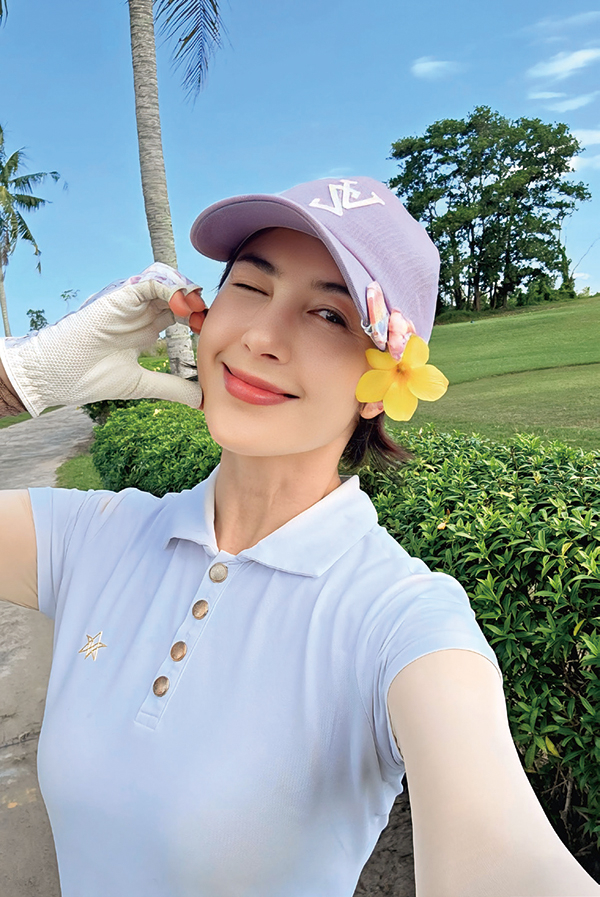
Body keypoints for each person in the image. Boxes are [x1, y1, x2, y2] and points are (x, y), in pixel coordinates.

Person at [0, 176, 598, 897]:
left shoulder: (401, 619)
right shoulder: (94, 536)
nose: (260, 335)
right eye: (250, 287)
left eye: (328, 314)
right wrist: (17, 378)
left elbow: (506, 862)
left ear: (385, 379)